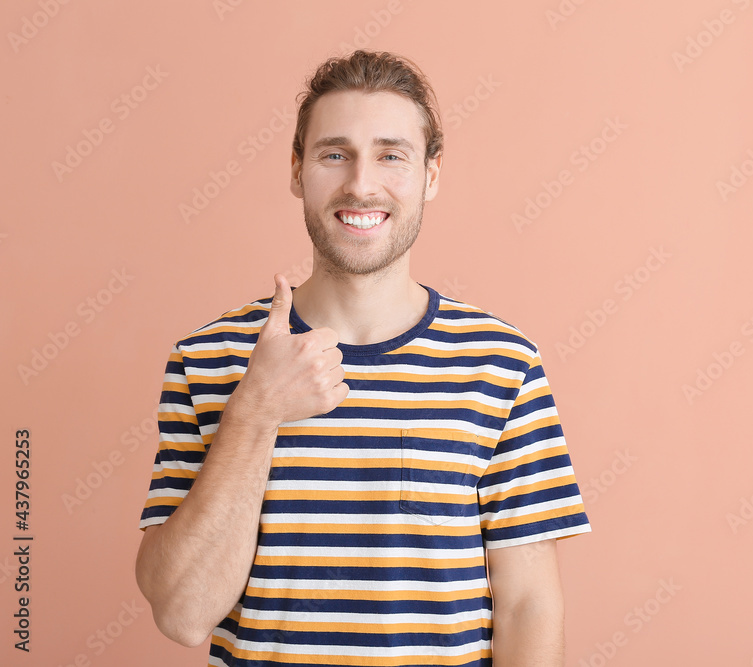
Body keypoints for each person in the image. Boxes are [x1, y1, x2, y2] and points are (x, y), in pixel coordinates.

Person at [134, 49, 591, 667]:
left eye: (391, 155)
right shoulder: (208, 358)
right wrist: (255, 412)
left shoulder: (502, 364)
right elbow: (184, 614)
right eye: (334, 154)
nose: (361, 184)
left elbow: (527, 606)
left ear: (431, 175)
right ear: (297, 170)